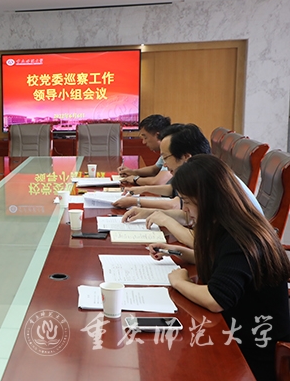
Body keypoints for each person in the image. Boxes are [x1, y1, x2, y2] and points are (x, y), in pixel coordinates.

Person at [147, 154, 290, 381]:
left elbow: (216, 299)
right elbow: (223, 263)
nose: (186, 210)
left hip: (251, 353)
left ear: (208, 200)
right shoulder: (230, 222)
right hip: (233, 333)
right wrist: (178, 252)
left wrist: (179, 282)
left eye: (188, 202)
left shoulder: (240, 238)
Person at [120, 124, 263, 247]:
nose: (164, 165)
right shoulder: (205, 173)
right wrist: (150, 213)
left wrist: (166, 220)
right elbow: (190, 217)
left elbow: (201, 242)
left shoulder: (210, 181)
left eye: (166, 158)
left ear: (186, 157)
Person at [118, 114, 172, 186]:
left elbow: (159, 181)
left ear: (158, 135)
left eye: (145, 137)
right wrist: (132, 172)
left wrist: (135, 179)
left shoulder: (172, 150)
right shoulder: (166, 149)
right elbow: (154, 169)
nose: (144, 142)